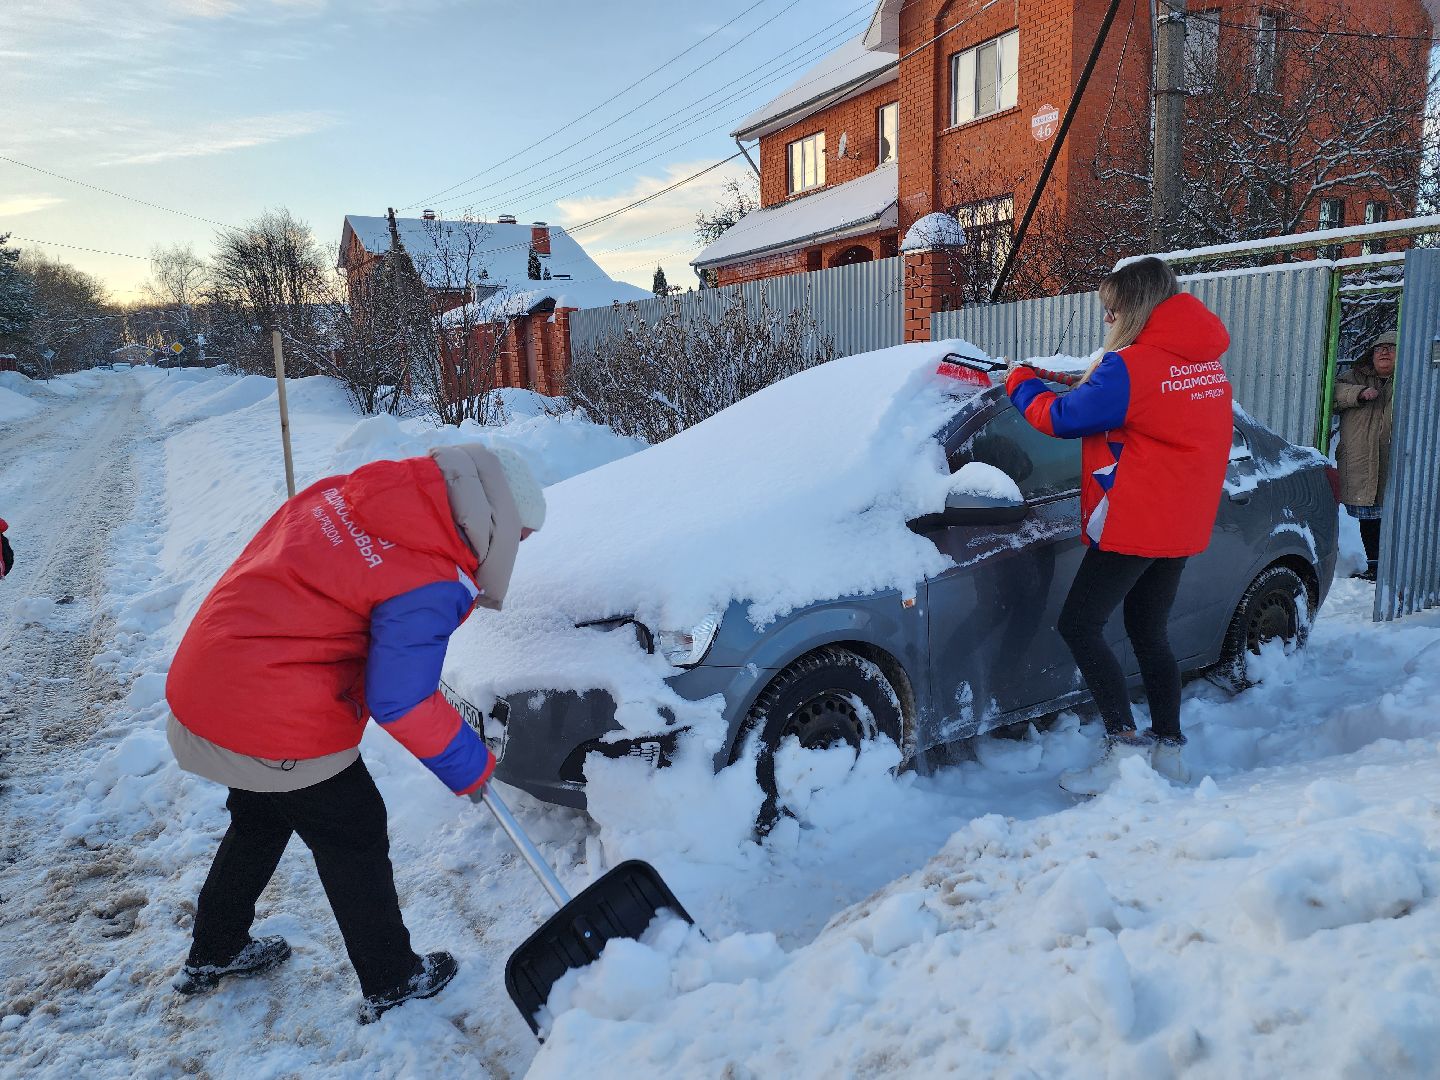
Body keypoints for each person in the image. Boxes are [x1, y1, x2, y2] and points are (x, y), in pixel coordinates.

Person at [165, 443, 546, 1024]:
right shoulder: (430, 576)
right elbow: (400, 699)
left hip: (207, 683)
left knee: (262, 815)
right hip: (269, 710)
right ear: (495, 522)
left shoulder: (346, 495)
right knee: (354, 828)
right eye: (521, 539)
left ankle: (215, 950)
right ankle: (393, 978)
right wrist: (471, 766)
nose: (519, 552)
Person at [1005, 257, 1233, 794]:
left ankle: (1123, 750)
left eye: (1111, 309)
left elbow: (1060, 419)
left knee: (1080, 625)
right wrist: (1070, 378)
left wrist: (1019, 381)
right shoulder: (1203, 362)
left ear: (1133, 307)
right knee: (1148, 631)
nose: (1107, 319)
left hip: (1136, 519)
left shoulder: (1131, 366)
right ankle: (1170, 752)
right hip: (1182, 521)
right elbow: (1145, 408)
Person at [1333, 330, 1397, 581]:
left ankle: (1396, 566)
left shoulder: (1408, 378)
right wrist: (1357, 393)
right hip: (1361, 461)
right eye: (1379, 348)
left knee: (1395, 517)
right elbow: (1333, 391)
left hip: (1396, 461)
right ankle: (1374, 566)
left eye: (1390, 347)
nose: (1383, 352)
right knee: (1369, 517)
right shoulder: (1353, 377)